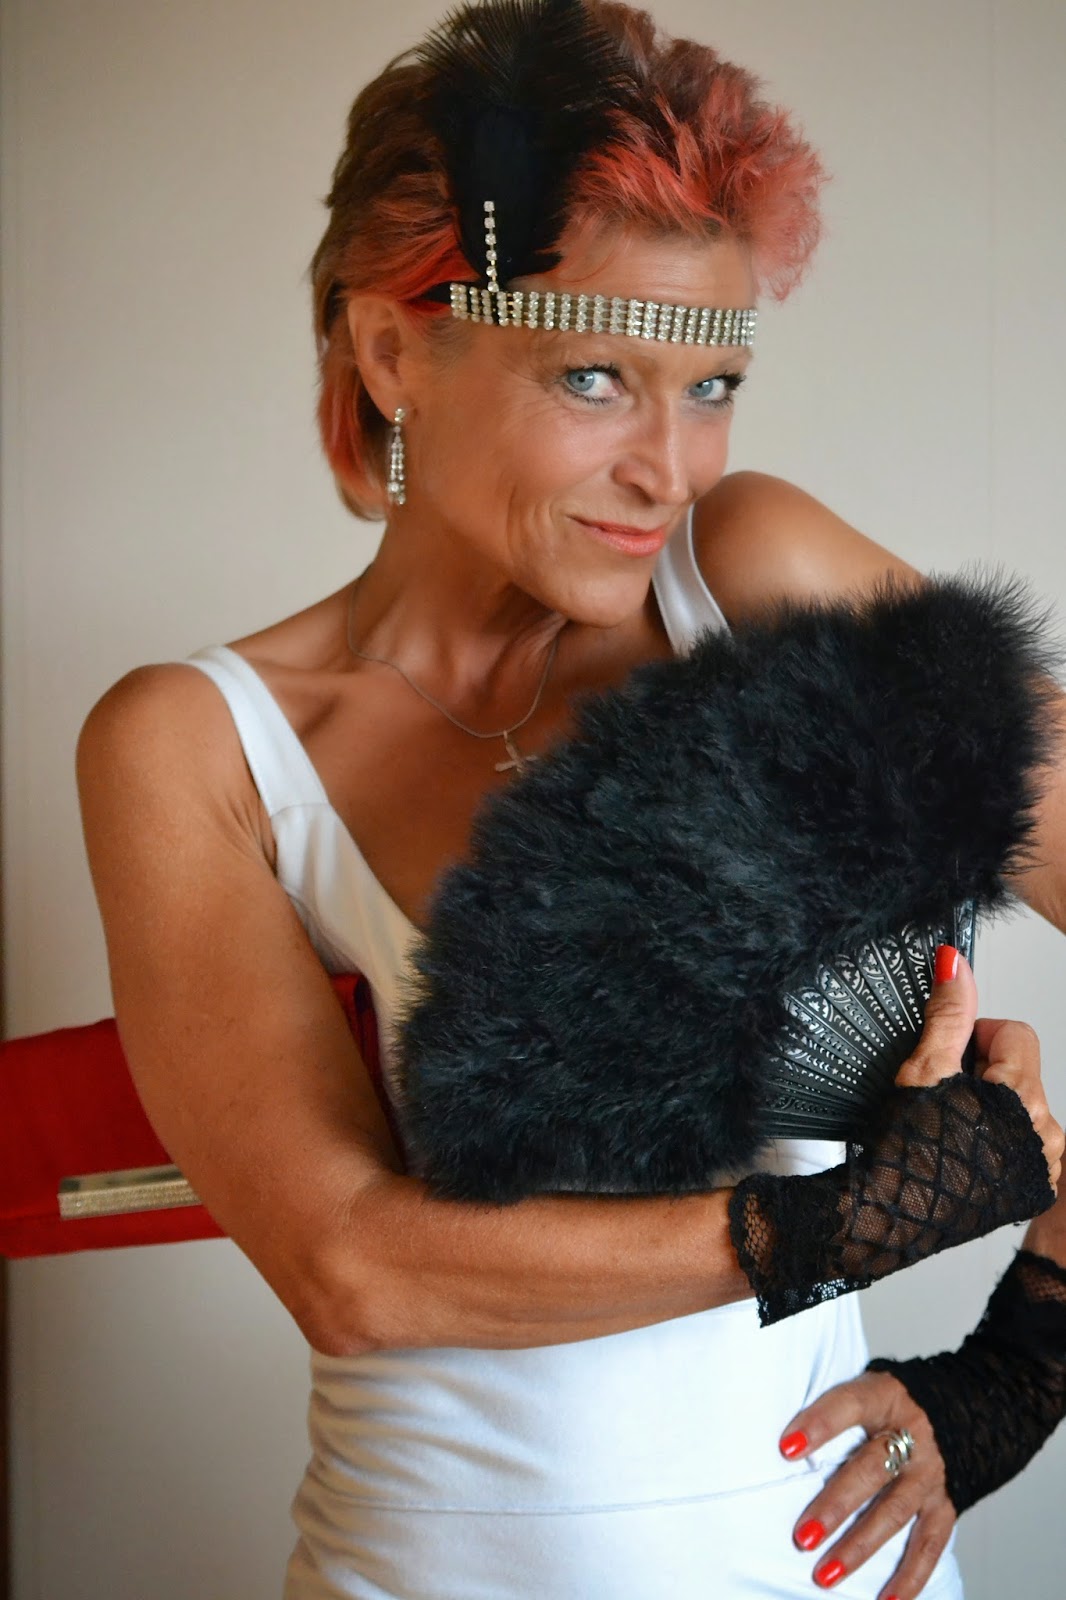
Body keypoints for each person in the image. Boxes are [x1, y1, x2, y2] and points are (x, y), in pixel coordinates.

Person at [75, 2, 1066, 1596]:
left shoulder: (753, 584)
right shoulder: (200, 745)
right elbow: (354, 1269)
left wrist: (1020, 1366)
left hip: (820, 1565)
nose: (669, 468)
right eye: (595, 377)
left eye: (712, 384)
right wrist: (844, 1223)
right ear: (394, 351)